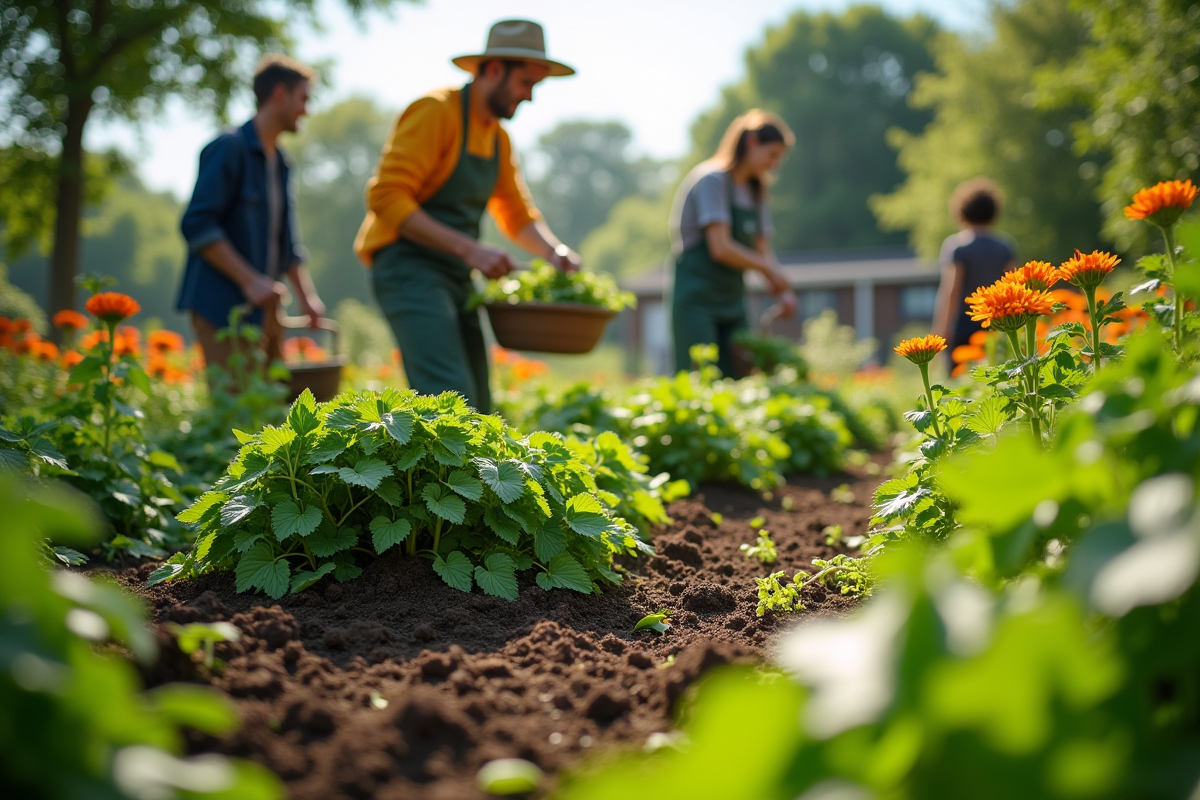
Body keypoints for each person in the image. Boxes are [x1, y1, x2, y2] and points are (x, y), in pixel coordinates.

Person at [354, 19, 581, 414]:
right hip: (407, 267)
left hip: (457, 275)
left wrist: (553, 252)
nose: (529, 97)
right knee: (448, 397)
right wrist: (472, 251)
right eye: (525, 83)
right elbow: (386, 196)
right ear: (494, 69)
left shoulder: (498, 138)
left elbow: (514, 211)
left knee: (479, 404)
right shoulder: (436, 112)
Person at [177, 54, 326, 375]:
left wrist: (307, 299)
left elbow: (287, 243)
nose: (307, 109)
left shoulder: (282, 163)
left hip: (266, 312)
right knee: (238, 416)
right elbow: (197, 223)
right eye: (303, 99)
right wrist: (250, 281)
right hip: (223, 311)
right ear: (279, 94)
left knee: (274, 412)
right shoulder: (228, 149)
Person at [669, 110, 798, 377]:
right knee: (700, 377)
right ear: (751, 142)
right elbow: (721, 247)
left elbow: (763, 253)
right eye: (772, 155)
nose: (774, 165)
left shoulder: (756, 193)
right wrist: (770, 271)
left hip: (733, 302)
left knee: (740, 378)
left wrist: (781, 290)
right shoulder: (711, 181)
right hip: (696, 300)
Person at [932, 178, 1017, 351]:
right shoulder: (1005, 246)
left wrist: (941, 330)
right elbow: (1015, 285)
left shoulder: (957, 246)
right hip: (998, 322)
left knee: (962, 376)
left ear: (962, 211)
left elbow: (951, 291)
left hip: (965, 324)